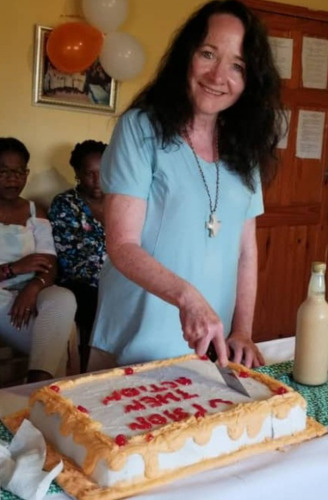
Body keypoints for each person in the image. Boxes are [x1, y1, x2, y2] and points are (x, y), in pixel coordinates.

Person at [89, 0, 283, 371]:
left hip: (210, 346)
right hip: (136, 340)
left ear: (250, 81)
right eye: (208, 54)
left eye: (237, 66)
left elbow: (245, 252)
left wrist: (242, 329)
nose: (218, 75)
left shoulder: (245, 146)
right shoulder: (140, 128)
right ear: (186, 56)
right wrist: (188, 298)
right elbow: (122, 244)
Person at [0, 137, 77, 383]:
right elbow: (28, 263)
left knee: (64, 297)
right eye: (3, 171)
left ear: (26, 173)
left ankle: (36, 383)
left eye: (18, 171)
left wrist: (34, 286)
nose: (12, 178)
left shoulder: (35, 211)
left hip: (34, 288)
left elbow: (49, 261)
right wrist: (14, 268)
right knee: (60, 338)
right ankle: (44, 388)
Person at [48, 140, 107, 372]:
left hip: (119, 278)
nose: (97, 179)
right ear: (77, 174)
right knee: (97, 303)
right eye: (89, 173)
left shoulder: (122, 202)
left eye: (102, 172)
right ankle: (89, 371)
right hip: (80, 281)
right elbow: (70, 258)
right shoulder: (65, 204)